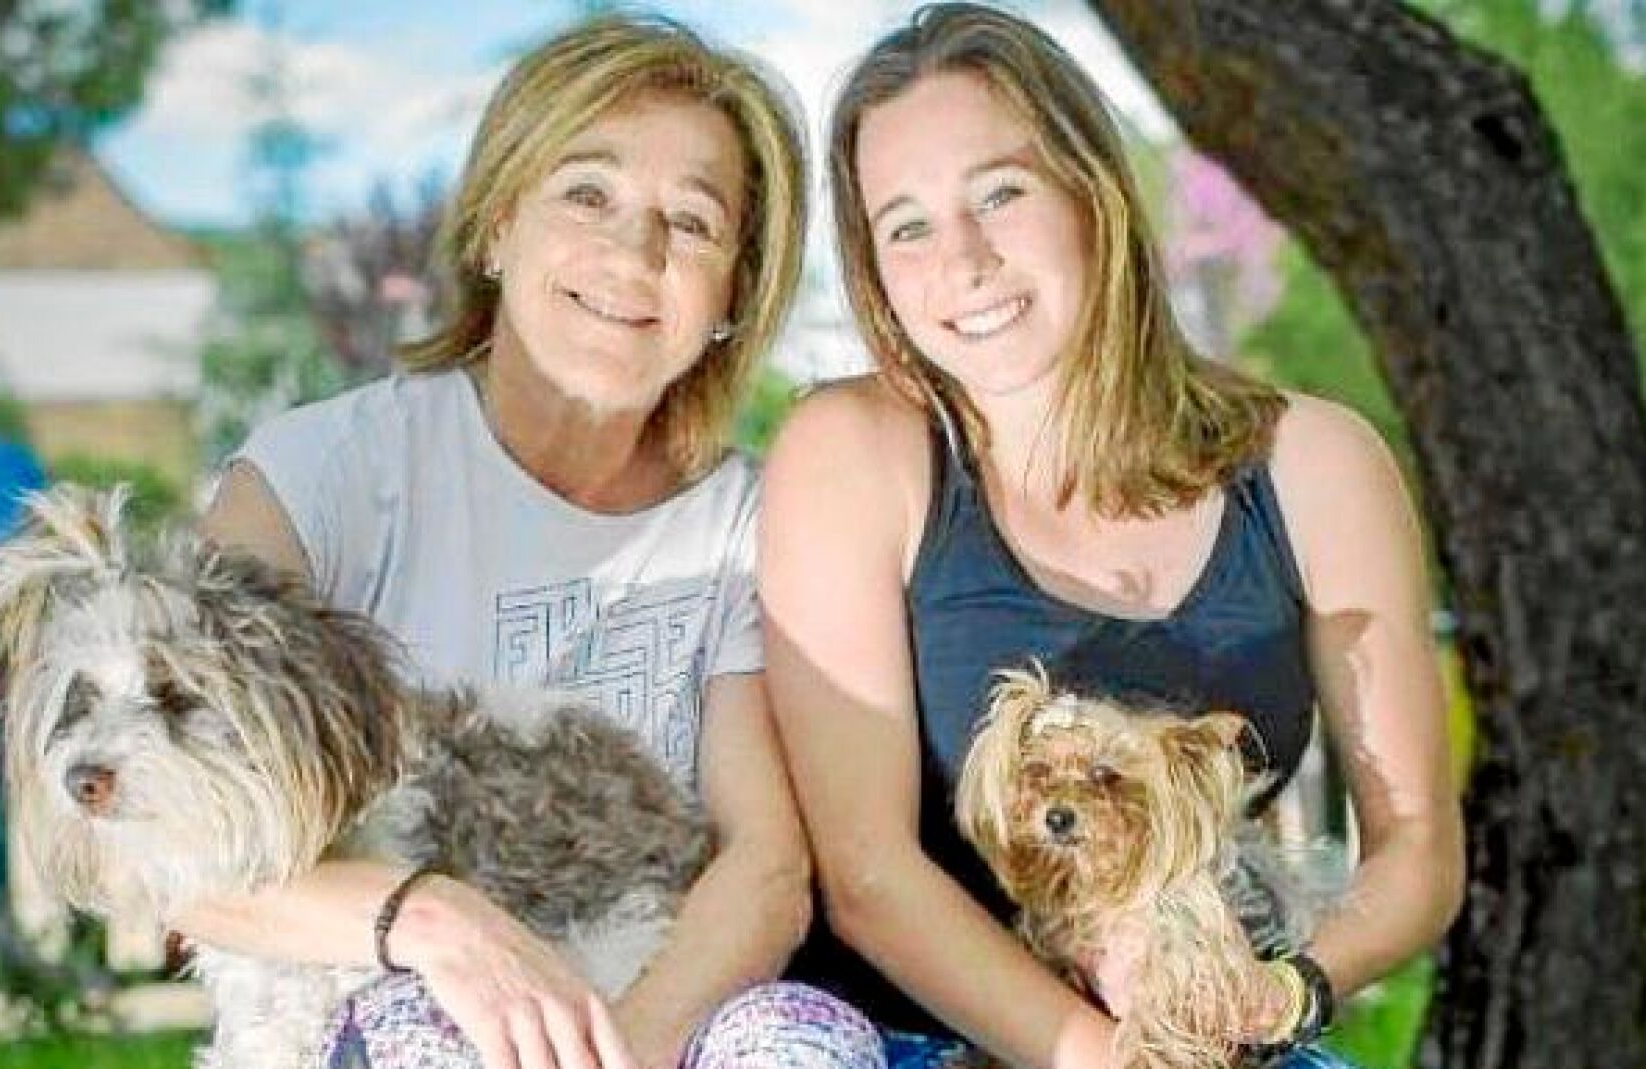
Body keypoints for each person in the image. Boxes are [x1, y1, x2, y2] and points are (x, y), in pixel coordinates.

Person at [760, 5, 1466, 1068]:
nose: (964, 259)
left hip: (1214, 1036)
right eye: (906, 226)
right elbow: (868, 876)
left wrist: (1283, 995)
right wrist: (1105, 1057)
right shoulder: (851, 453)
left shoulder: (1317, 465)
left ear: (1092, 191)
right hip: (912, 1039)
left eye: (1000, 193)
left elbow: (1417, 849)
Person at [188, 15, 883, 1069]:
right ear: (497, 224)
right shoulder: (325, 474)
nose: (634, 253)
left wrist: (621, 1052)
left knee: (799, 1042)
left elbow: (765, 869)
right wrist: (436, 921)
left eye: (691, 222)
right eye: (588, 194)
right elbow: (172, 841)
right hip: (388, 994)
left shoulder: (747, 523)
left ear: (733, 295)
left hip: (647, 1005)